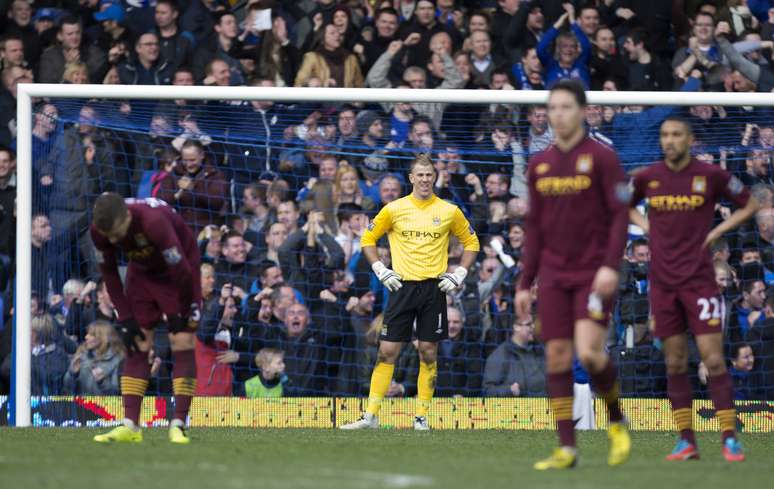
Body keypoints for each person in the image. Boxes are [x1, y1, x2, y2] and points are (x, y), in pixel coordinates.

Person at [515, 80, 630, 470]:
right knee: (558, 356)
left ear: (582, 111)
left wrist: (611, 267)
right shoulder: (539, 164)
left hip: (592, 273)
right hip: (552, 274)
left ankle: (615, 417)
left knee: (589, 353)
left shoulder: (602, 158)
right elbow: (534, 228)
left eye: (566, 107)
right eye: (553, 108)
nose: (558, 115)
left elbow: (619, 216)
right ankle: (567, 447)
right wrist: (523, 282)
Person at [629, 117, 759, 462]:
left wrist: (716, 233)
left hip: (700, 281)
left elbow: (750, 203)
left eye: (676, 134)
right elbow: (621, 201)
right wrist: (647, 227)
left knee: (714, 360)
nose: (669, 140)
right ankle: (686, 440)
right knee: (674, 361)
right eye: (664, 135)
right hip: (664, 282)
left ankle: (729, 437)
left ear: (689, 139)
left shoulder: (710, 175)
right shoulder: (648, 176)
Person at [340, 153, 479, 431]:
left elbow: (472, 242)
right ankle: (371, 416)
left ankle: (421, 417)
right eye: (420, 175)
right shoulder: (394, 209)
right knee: (387, 351)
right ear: (411, 178)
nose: (425, 179)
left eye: (430, 175)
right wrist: (380, 269)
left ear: (434, 177)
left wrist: (460, 273)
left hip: (433, 289)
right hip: (401, 287)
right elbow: (367, 238)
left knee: (428, 352)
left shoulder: (449, 211)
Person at [90, 194, 201, 444]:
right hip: (142, 274)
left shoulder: (154, 222)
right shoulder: (99, 231)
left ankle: (179, 424)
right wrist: (125, 317)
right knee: (136, 344)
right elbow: (108, 272)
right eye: (111, 236)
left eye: (118, 233)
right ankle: (131, 425)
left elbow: (182, 271)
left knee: (182, 341)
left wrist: (177, 312)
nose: (116, 240)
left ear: (127, 217)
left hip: (180, 273)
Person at [64, 320, 124, 395]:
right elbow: (68, 388)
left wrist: (102, 382)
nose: (86, 337)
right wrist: (72, 374)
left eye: (91, 335)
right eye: (87, 334)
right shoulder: (81, 354)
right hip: (81, 405)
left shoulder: (117, 360)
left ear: (103, 338)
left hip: (103, 406)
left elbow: (116, 394)